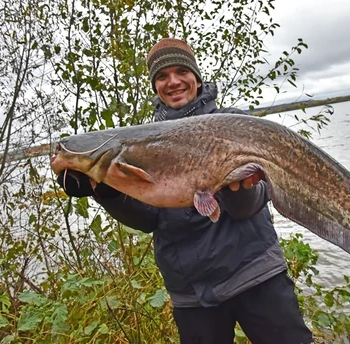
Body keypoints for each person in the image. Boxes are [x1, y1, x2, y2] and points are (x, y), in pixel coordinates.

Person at [57, 38, 313, 344]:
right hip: (192, 292)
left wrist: (236, 189)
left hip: (255, 274)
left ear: (196, 77)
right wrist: (107, 191)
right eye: (162, 76)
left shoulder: (234, 124)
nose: (173, 82)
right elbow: (149, 219)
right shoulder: (142, 144)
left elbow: (251, 205)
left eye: (181, 71)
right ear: (154, 86)